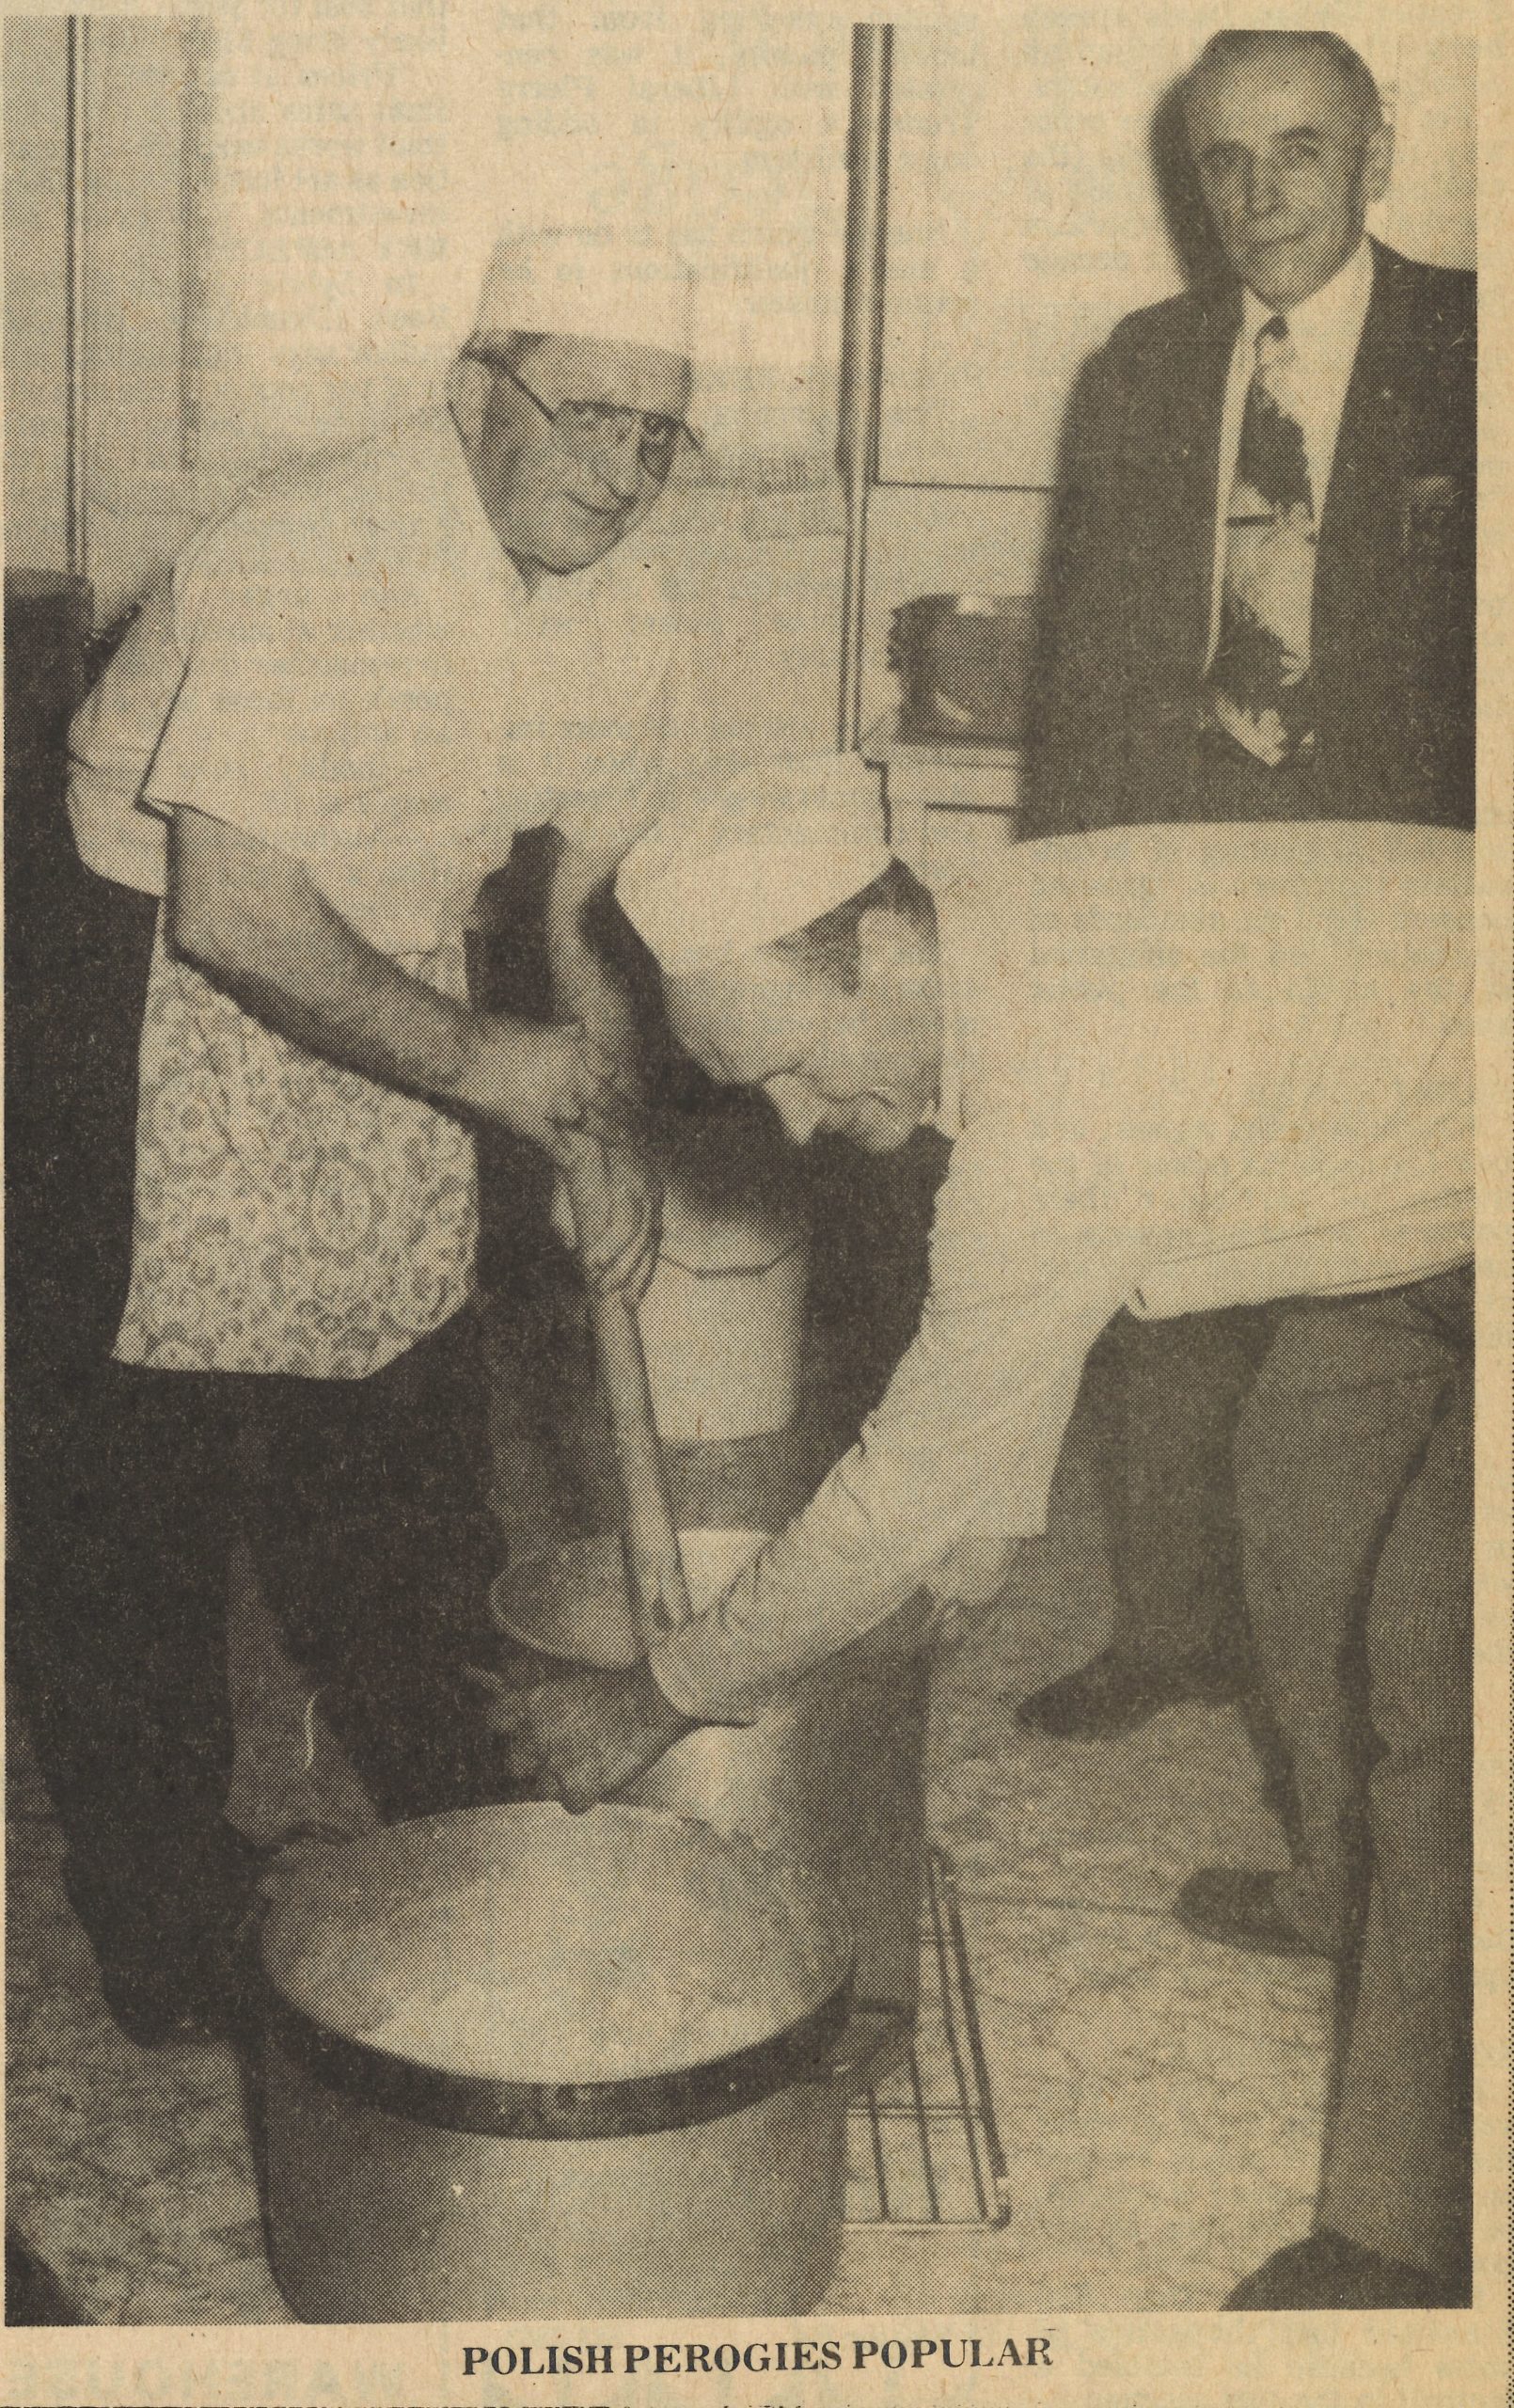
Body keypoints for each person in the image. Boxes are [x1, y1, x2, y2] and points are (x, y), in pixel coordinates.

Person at [481, 757, 1474, 2309]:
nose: (799, 1127)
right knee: (1299, 1523)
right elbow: (1018, 1347)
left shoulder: (1074, 1067)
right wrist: (983, 1532)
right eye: (756, 1090)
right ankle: (1352, 1906)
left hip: (1465, 1149)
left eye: (798, 1068)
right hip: (1402, 1166)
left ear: (876, 945)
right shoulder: (971, 945)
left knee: (1445, 1700)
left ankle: (1411, 2243)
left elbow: (920, 1461)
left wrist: (664, 1689)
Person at [8, 229, 705, 2047]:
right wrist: (491, 1073)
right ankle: (162, 1927)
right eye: (588, 415)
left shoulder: (624, 609)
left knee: (397, 1446)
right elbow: (229, 912)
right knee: (133, 1509)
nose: (622, 473)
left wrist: (600, 1122)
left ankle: (466, 1853)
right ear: (476, 388)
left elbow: (578, 917)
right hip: (128, 973)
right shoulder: (309, 552)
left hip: (396, 965)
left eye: (659, 435)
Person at [1016, 28, 1475, 1745]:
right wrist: (1074, 910)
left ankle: (1351, 1692)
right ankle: (1168, 1630)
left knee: (1366, 1297)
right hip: (1183, 885)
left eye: (1297, 150)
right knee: (1168, 1253)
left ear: (1374, 151)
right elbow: (1078, 660)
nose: (1258, 193)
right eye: (1223, 159)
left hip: (1400, 899)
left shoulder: (1473, 345)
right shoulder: (1137, 367)